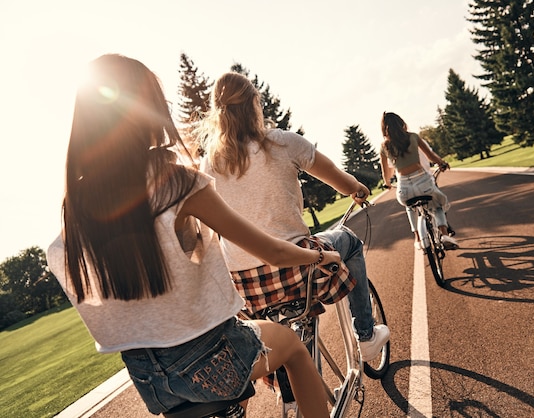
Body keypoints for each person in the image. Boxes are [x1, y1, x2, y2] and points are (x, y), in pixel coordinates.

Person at [46, 54, 332, 417]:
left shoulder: (78, 202)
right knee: (292, 346)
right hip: (211, 359)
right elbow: (273, 252)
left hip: (150, 379)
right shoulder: (176, 182)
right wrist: (322, 256)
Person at [197, 72, 389, 363]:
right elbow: (339, 179)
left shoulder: (209, 163)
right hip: (299, 267)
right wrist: (358, 189)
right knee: (348, 241)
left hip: (247, 286)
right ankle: (366, 335)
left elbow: (206, 234)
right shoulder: (282, 142)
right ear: (254, 105)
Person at [379, 111, 459, 250]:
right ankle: (445, 235)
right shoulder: (413, 137)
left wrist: (387, 183)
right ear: (401, 123)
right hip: (423, 181)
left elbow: (386, 171)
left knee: (410, 207)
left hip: (404, 188)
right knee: (437, 206)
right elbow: (430, 155)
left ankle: (417, 238)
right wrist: (441, 163)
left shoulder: (384, 146)